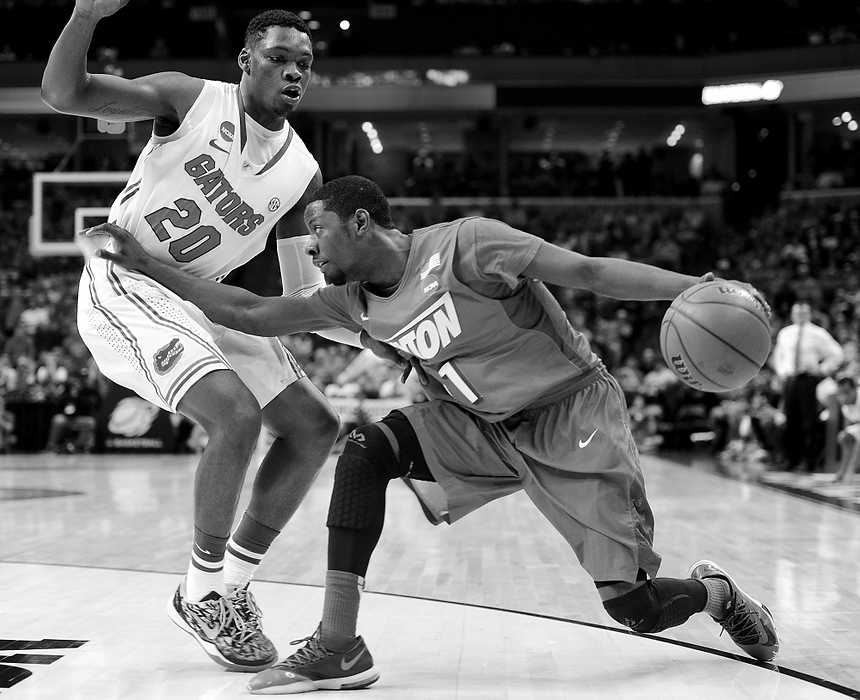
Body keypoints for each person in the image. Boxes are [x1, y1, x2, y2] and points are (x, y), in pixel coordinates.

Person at [86, 175, 780, 694]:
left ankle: (715, 593)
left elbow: (590, 273)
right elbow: (246, 310)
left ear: (361, 223)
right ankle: (338, 645)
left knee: (635, 607)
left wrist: (695, 288)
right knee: (363, 450)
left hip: (570, 415)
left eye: (317, 232)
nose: (310, 248)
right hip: (477, 427)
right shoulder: (350, 302)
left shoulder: (468, 244)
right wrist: (144, 264)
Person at [42, 2, 399, 672]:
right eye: (279, 57)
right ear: (245, 60)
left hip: (202, 299)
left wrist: (381, 332)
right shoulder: (188, 100)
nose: (295, 71)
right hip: (126, 281)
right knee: (234, 414)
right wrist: (86, 14)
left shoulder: (303, 176)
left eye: (305, 63)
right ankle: (201, 592)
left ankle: (229, 586)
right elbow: (63, 93)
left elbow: (300, 296)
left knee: (314, 426)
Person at [771, 302, 844, 472]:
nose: (800, 316)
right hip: (790, 380)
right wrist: (783, 373)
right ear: (792, 314)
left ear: (809, 314)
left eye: (804, 313)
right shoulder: (785, 333)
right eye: (797, 312)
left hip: (808, 379)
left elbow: (837, 354)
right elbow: (779, 356)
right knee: (790, 419)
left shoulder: (817, 333)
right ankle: (791, 459)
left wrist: (822, 369)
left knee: (808, 421)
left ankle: (809, 460)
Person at [834, 376, 860, 483]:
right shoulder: (845, 406)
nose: (844, 396)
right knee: (844, 438)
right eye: (841, 393)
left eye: (846, 392)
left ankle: (851, 471)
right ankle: (843, 471)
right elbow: (847, 426)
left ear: (855, 389)